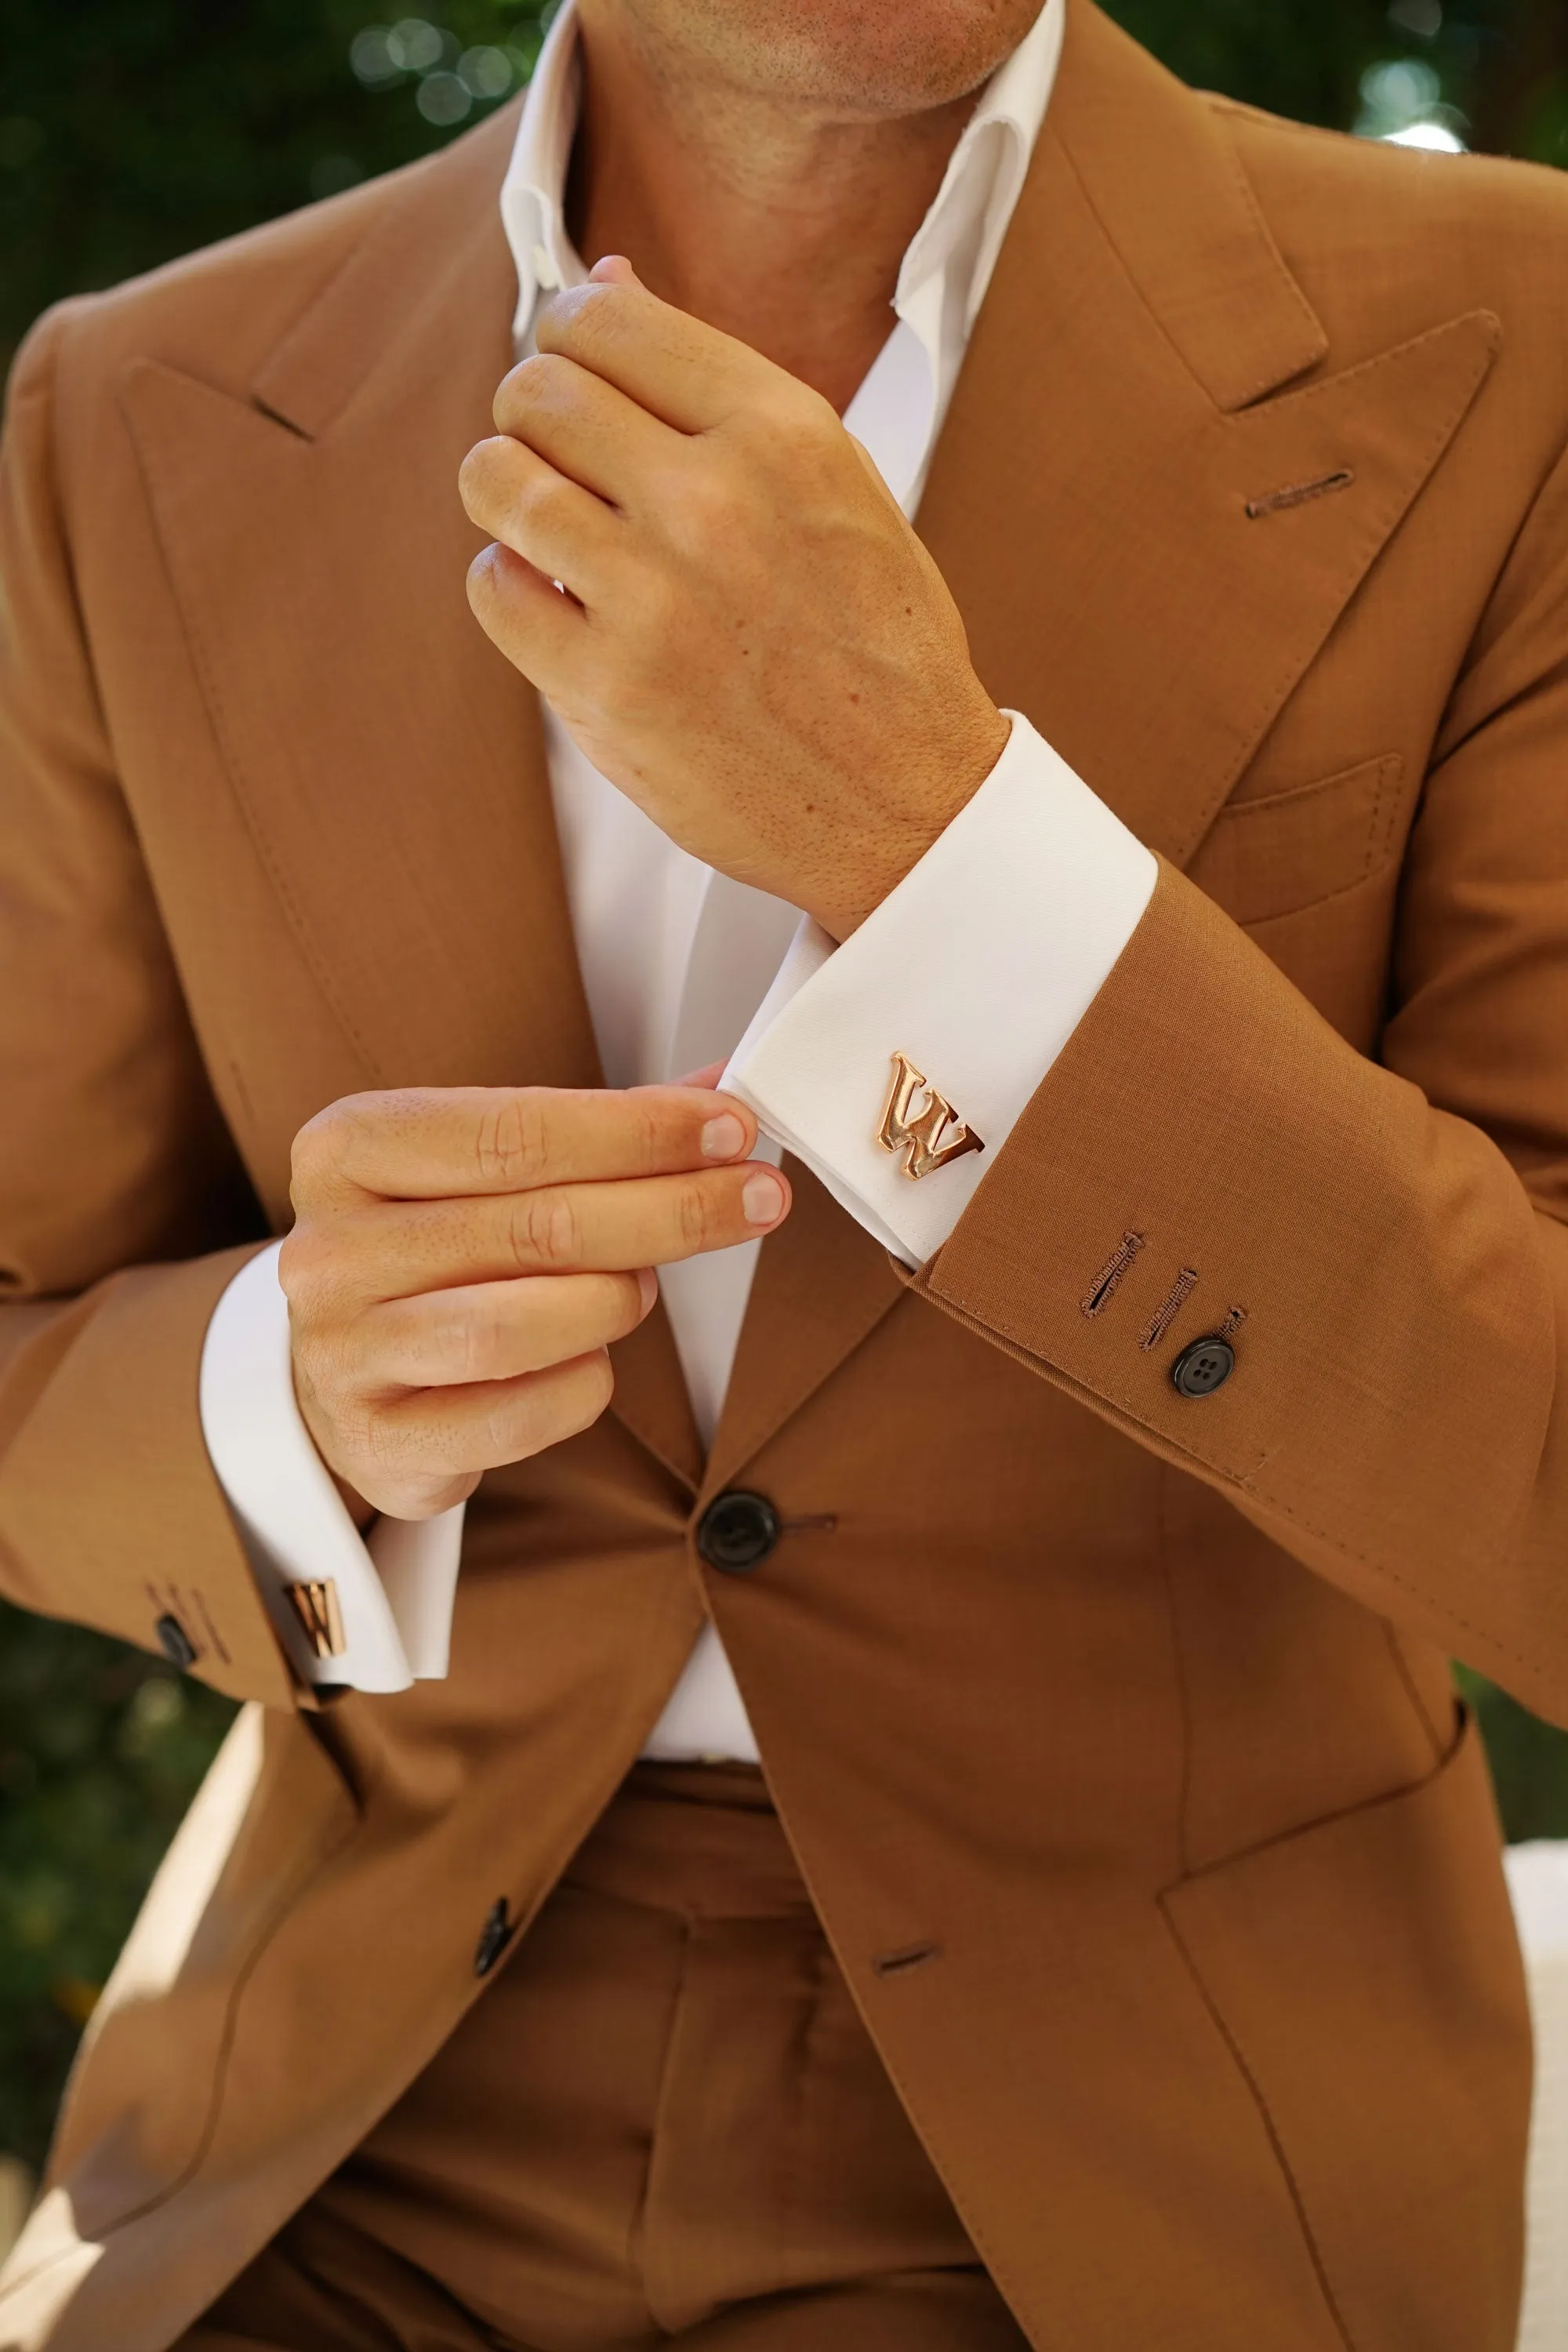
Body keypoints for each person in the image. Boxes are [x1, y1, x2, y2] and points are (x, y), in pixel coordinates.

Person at [2, 0, 1566, 2341]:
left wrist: (940, 854)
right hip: (325, 2127)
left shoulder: (1518, 341)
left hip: (1161, 2154)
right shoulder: (125, 415)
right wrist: (277, 1400)